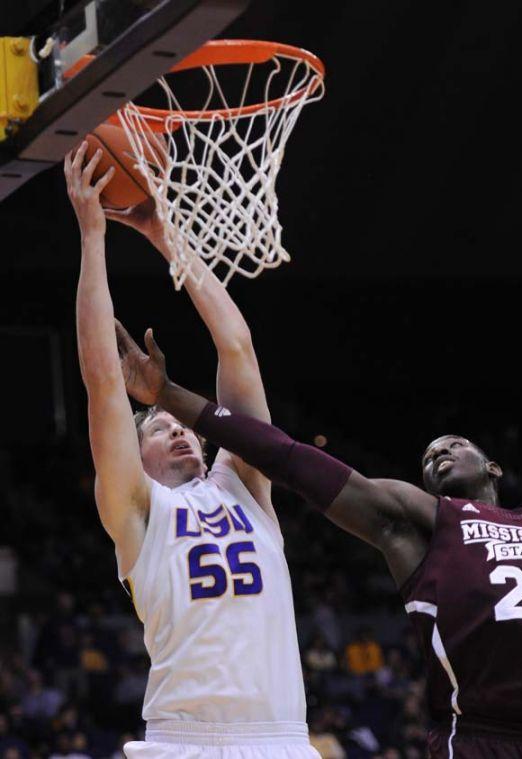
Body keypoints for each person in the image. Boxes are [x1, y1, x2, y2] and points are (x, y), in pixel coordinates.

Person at [114, 321, 522, 758]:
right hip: (484, 735)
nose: (439, 453)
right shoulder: (426, 524)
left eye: (454, 444)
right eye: (430, 454)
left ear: (493, 466)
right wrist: (171, 393)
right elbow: (288, 458)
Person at [64, 142, 319, 758]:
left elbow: (238, 348)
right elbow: (103, 383)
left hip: (279, 741)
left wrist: (164, 231)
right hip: (184, 742)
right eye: (157, 428)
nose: (179, 429)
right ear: (138, 451)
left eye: (184, 427)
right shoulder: (136, 511)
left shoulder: (245, 485)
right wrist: (93, 234)